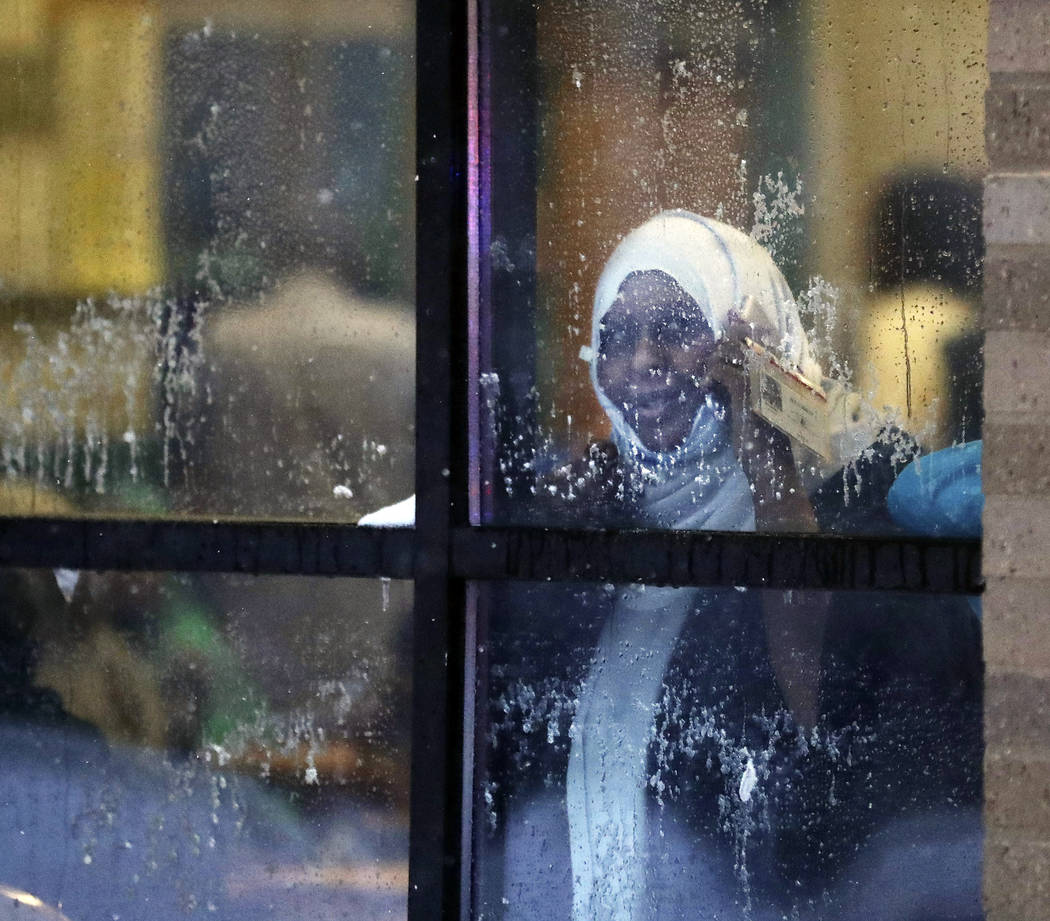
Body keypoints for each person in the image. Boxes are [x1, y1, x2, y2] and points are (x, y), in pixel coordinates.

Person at [480, 211, 982, 921]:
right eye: (618, 338)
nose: (643, 362)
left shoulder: (864, 494)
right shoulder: (604, 506)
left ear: (751, 344)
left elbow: (827, 736)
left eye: (678, 328)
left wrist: (770, 466)